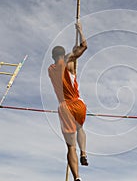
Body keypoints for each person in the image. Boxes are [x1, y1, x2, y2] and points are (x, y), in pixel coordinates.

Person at [48, 22, 88, 181]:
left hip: (64, 107)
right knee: (80, 129)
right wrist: (80, 31)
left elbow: (62, 66)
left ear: (52, 57)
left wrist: (72, 53)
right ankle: (84, 152)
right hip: (77, 104)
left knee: (70, 147)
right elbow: (84, 46)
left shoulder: (50, 70)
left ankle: (77, 177)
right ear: (64, 54)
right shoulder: (69, 61)